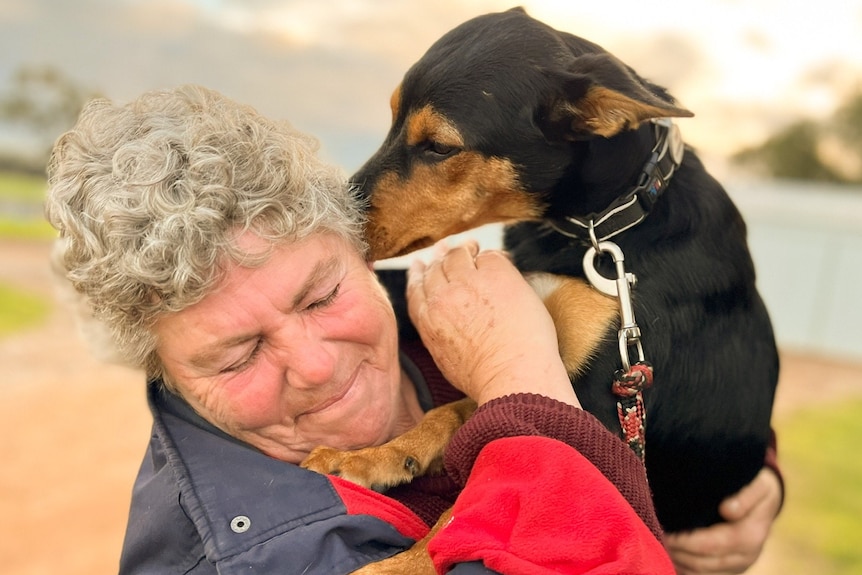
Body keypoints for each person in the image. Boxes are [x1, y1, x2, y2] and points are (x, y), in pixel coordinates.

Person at [44, 85, 780, 575]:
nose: (316, 365)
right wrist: (519, 379)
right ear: (163, 368)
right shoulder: (250, 555)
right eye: (238, 354)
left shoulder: (445, 305)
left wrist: (743, 480)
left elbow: (658, 358)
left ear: (364, 252)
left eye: (320, 295)